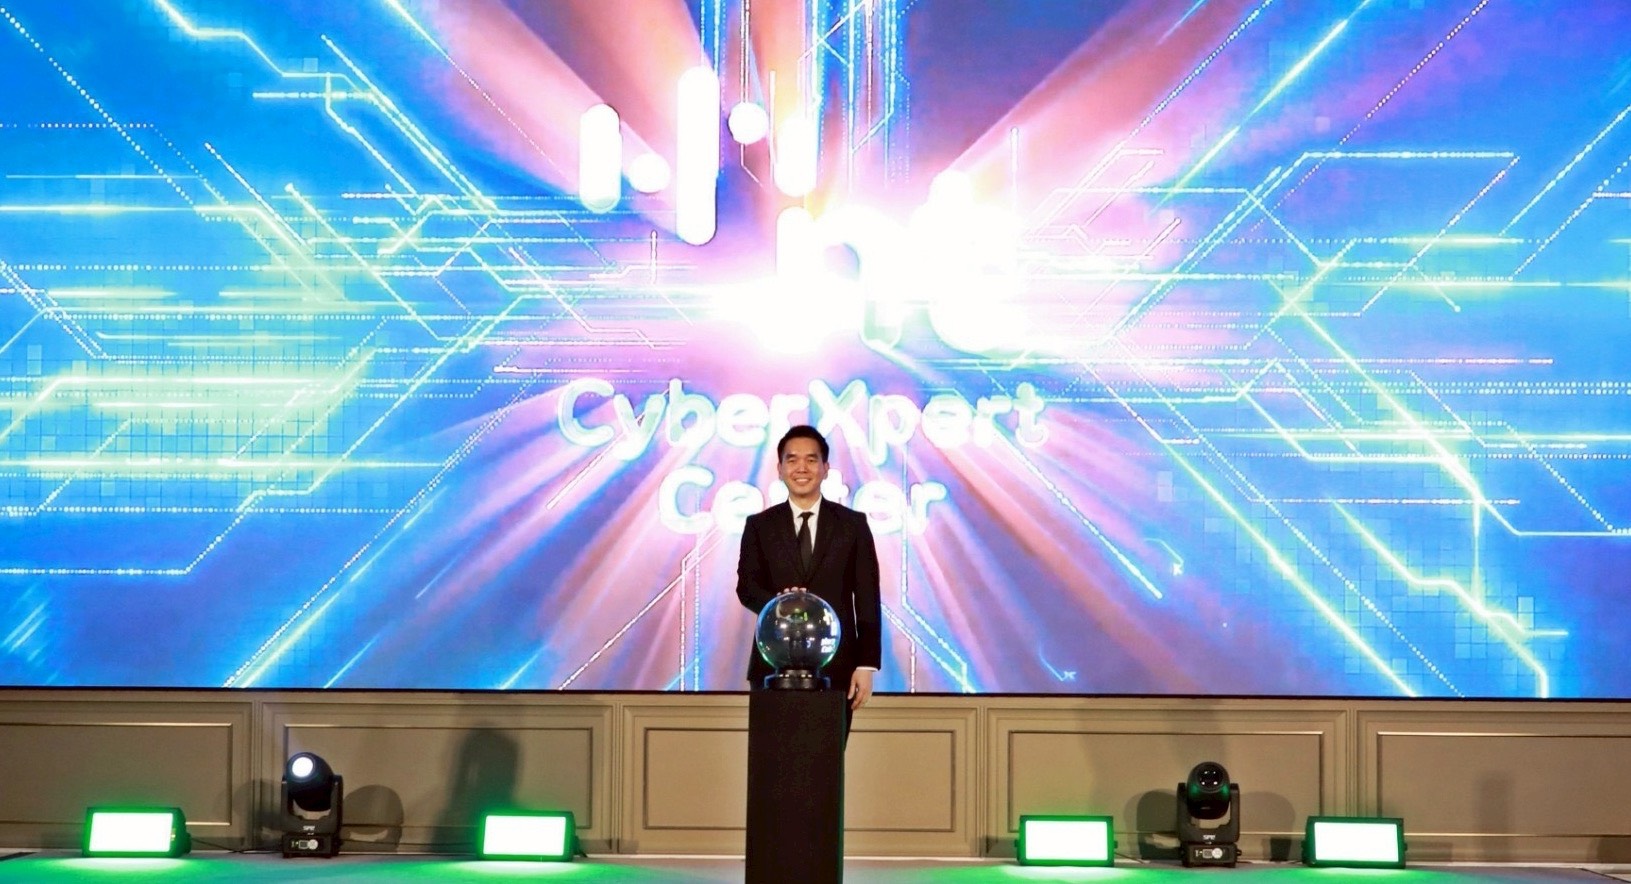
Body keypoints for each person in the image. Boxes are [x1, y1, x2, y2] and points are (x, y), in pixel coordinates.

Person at [736, 425, 882, 733]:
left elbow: (867, 597)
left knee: (827, 757)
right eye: (792, 460)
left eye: (811, 460)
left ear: (825, 468)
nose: (801, 468)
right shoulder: (759, 526)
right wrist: (781, 604)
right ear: (779, 469)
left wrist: (866, 665)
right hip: (772, 667)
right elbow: (746, 587)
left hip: (837, 667)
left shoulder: (852, 525)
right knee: (775, 757)